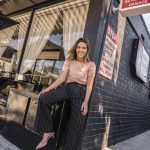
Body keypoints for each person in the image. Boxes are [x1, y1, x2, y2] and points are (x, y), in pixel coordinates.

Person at [35, 37, 96, 150]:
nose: (80, 50)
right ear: (75, 48)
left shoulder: (91, 65)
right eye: (78, 47)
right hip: (68, 88)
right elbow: (61, 78)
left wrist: (86, 102)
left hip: (80, 91)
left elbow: (89, 85)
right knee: (44, 98)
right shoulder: (69, 61)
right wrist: (48, 89)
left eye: (83, 48)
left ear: (87, 50)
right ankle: (48, 131)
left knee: (77, 124)